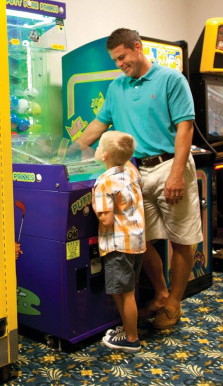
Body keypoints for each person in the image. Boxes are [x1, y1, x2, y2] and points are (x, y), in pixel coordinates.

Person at [77, 27, 201, 330]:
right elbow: (98, 124)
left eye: (123, 57)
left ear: (137, 47)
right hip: (132, 172)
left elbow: (185, 128)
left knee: (181, 239)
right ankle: (160, 293)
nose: (120, 64)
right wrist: (70, 149)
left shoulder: (171, 79)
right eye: (115, 60)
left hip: (169, 167)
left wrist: (175, 176)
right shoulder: (116, 87)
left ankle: (174, 303)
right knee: (139, 240)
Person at [92, 130, 145, 352]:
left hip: (118, 244)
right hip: (137, 241)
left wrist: (93, 203)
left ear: (104, 155)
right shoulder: (131, 173)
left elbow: (105, 220)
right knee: (124, 289)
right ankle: (126, 327)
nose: (95, 149)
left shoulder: (104, 182)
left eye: (98, 146)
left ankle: (132, 338)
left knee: (125, 292)